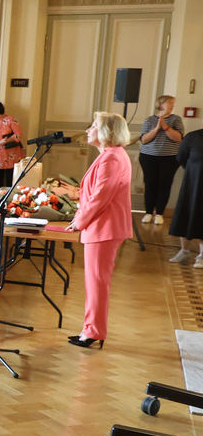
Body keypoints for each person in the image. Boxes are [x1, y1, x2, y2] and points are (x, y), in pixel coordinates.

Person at [62, 112, 133, 348]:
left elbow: (100, 197)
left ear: (106, 132)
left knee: (97, 282)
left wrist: (79, 221)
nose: (88, 130)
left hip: (105, 228)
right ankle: (91, 330)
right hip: (103, 226)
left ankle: (93, 332)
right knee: (95, 281)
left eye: (93, 126)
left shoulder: (112, 157)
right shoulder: (110, 155)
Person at [140, 95, 184, 225]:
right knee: (150, 184)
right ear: (160, 104)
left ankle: (159, 213)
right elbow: (144, 139)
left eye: (173, 104)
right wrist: (157, 128)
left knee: (164, 185)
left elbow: (178, 138)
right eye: (169, 103)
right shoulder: (149, 120)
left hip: (169, 158)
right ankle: (148, 212)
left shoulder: (176, 119)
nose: (171, 106)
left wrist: (165, 126)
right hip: (148, 157)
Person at [169, 127, 203, 266]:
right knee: (186, 215)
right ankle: (184, 250)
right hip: (192, 183)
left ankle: (202, 256)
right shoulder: (193, 136)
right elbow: (181, 158)